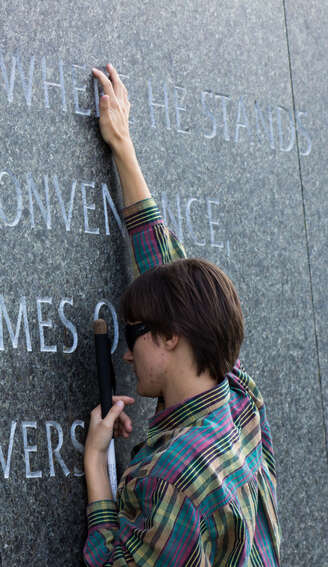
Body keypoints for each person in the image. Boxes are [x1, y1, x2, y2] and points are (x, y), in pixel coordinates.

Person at [82, 64, 280, 566]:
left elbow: (113, 563)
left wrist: (97, 466)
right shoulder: (238, 399)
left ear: (172, 338)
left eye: (134, 334)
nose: (126, 352)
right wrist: (122, 145)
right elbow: (169, 273)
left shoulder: (176, 478)